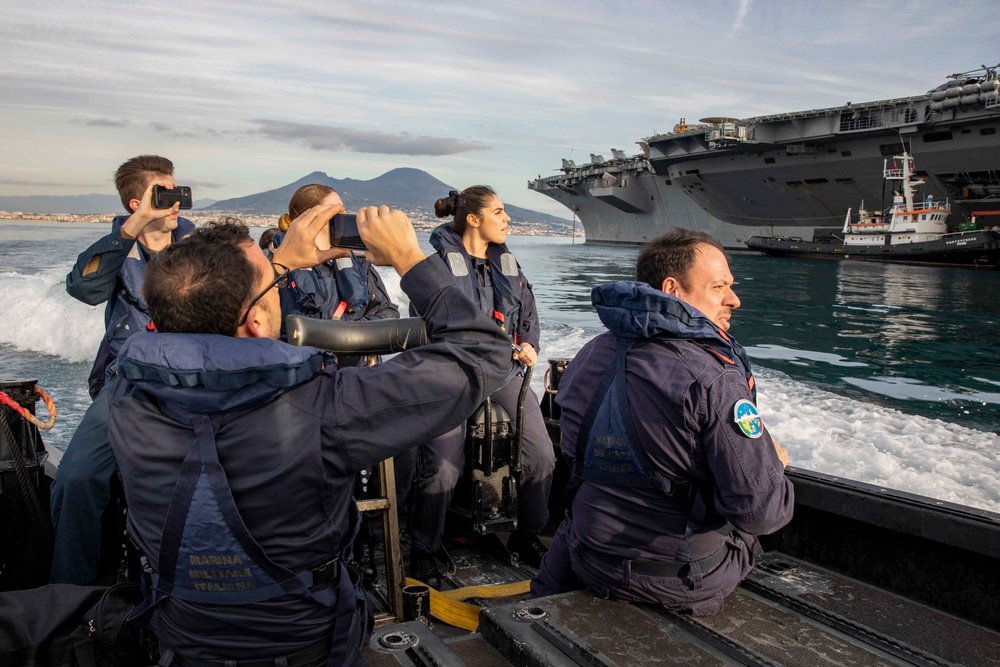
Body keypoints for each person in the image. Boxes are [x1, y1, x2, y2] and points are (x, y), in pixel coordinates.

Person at [106, 207, 512, 665]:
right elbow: (484, 354)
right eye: (273, 283)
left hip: (180, 638)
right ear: (257, 321)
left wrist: (277, 266)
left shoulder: (125, 393)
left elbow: (202, 321)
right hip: (305, 646)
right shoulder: (324, 407)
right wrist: (409, 258)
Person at [531, 228, 794, 615]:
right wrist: (774, 463)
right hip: (675, 579)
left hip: (588, 556)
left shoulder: (588, 355)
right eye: (719, 287)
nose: (734, 300)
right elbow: (760, 513)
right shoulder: (714, 378)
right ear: (672, 288)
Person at [50, 155, 195, 585]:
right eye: (161, 194)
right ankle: (74, 601)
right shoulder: (116, 248)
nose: (174, 203)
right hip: (129, 380)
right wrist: (131, 230)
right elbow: (84, 289)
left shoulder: (197, 246)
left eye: (175, 192)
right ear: (136, 202)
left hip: (193, 373)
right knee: (76, 479)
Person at [407, 186, 556, 584]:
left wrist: (529, 343)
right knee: (441, 466)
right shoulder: (437, 268)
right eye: (500, 212)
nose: (508, 219)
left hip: (504, 372)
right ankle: (422, 547)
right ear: (473, 219)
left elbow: (527, 312)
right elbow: (422, 324)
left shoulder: (508, 266)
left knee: (542, 455)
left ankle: (526, 535)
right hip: (451, 375)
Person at [276, 184, 399, 365]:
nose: (344, 219)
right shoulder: (277, 271)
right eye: (336, 214)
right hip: (304, 378)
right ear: (310, 218)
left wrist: (350, 332)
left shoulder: (359, 265)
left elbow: (387, 311)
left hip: (355, 375)